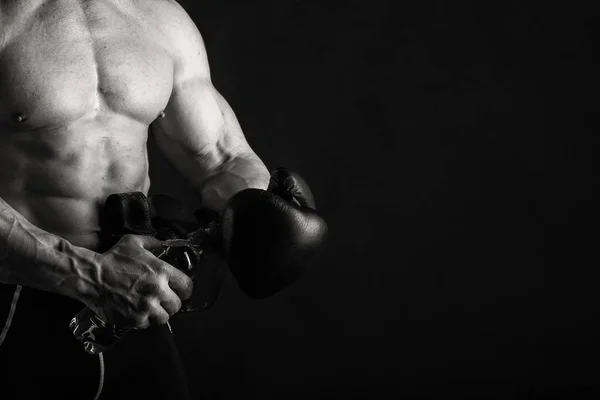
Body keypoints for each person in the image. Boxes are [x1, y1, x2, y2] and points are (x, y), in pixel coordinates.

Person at [0, 1, 326, 399]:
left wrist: (262, 207)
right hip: (20, 304)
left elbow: (218, 157)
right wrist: (89, 274)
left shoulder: (159, 17)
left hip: (136, 300)